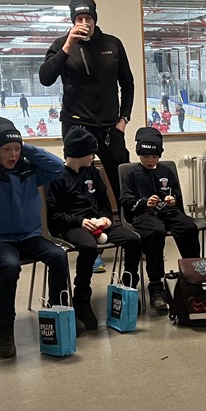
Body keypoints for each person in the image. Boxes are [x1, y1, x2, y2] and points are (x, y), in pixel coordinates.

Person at [0, 121, 67, 358]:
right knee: (10, 265)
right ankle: (4, 329)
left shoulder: (28, 170)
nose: (13, 155)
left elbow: (58, 166)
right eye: (6, 149)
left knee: (58, 256)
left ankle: (58, 314)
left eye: (17, 149)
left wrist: (25, 147)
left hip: (28, 235)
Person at [38, 0, 134, 201]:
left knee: (123, 184)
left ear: (95, 19)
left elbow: (128, 84)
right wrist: (68, 46)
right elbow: (45, 78)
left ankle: (128, 221)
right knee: (78, 186)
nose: (84, 23)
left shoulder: (113, 44)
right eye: (79, 19)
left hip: (110, 127)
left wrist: (124, 119)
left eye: (88, 18)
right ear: (73, 21)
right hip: (76, 127)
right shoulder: (61, 44)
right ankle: (83, 220)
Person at [47, 127, 142, 331]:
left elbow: (104, 203)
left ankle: (128, 288)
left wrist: (106, 218)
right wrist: (80, 221)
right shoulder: (57, 177)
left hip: (98, 223)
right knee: (89, 248)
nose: (94, 156)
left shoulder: (93, 173)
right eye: (91, 153)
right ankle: (81, 298)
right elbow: (54, 216)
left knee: (133, 240)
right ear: (79, 153)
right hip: (72, 226)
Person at [119, 127, 201, 311]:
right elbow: (125, 200)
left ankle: (192, 275)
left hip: (167, 211)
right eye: (146, 156)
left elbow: (177, 195)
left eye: (154, 157)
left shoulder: (166, 171)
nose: (150, 160)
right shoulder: (132, 174)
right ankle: (156, 285)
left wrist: (173, 200)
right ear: (139, 155)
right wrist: (144, 202)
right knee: (156, 232)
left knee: (188, 227)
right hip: (143, 214)